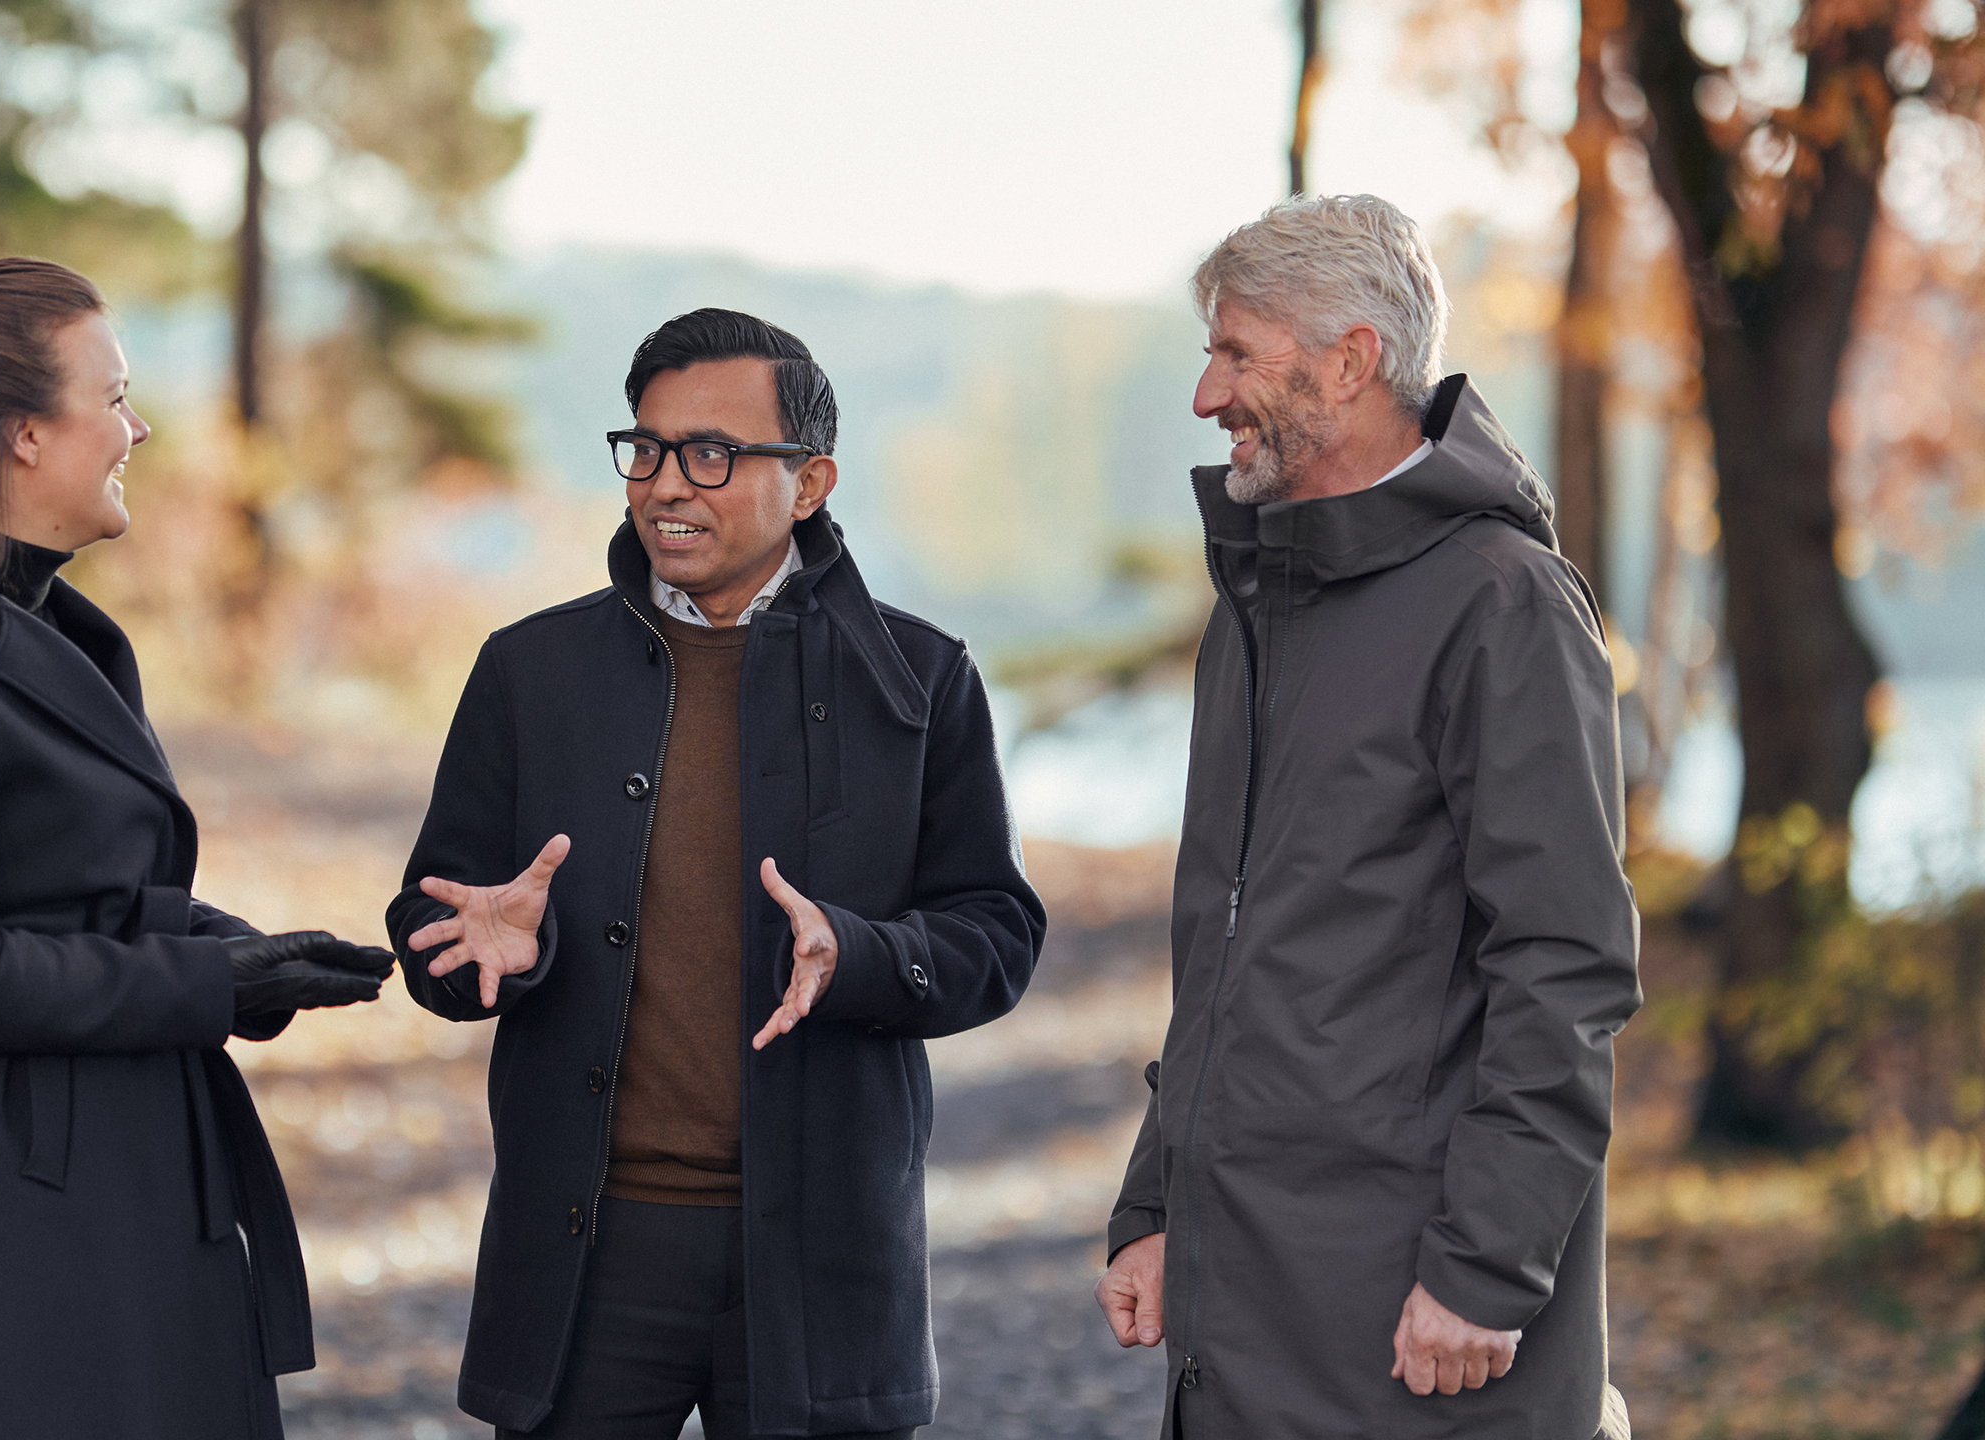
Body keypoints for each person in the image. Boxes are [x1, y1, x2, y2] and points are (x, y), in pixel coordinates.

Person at [385, 308, 1045, 1439]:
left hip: (822, 1250)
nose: (664, 485)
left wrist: (865, 954)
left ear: (810, 481)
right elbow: (436, 924)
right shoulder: (528, 670)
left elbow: (996, 934)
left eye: (711, 454)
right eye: (643, 449)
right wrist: (485, 957)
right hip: (588, 1246)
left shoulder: (921, 677)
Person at [0, 257, 397, 1440]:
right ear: (23, 433)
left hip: (125, 1170)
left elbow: (81, 897)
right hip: (12, 1207)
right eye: (112, 396)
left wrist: (243, 953)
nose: (139, 427)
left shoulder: (57, 635)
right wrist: (207, 984)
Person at [1094, 195, 1641, 1440]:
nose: (1205, 394)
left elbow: (1564, 964)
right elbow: (1223, 958)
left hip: (1411, 1323)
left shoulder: (1500, 603)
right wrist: (1157, 1205)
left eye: (1235, 352)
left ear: (1349, 361)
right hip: (1248, 1306)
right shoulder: (1258, 605)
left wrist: (1486, 1268)